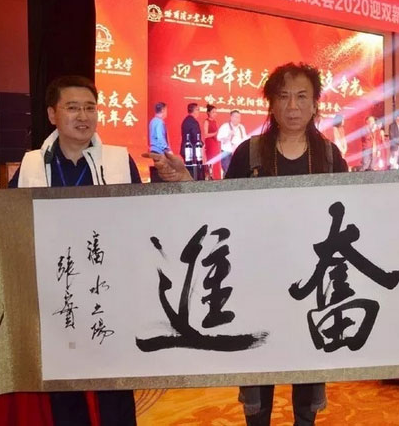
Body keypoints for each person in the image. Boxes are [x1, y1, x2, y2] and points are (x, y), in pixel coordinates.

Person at [145, 62, 348, 426]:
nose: (292, 106)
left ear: (315, 103)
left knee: (308, 374)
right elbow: (221, 210)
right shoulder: (249, 153)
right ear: (271, 104)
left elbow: (347, 219)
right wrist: (187, 180)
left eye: (302, 97)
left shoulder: (330, 157)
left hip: (312, 285)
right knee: (257, 377)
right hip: (257, 283)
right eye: (283, 97)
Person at [0, 75, 139, 426]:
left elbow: (149, 215)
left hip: (109, 295)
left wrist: (175, 180)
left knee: (116, 389)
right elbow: (2, 219)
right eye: (73, 107)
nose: (83, 116)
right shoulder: (30, 165)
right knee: (63, 391)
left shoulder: (119, 161)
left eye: (90, 107)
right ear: (53, 114)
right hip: (55, 296)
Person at [216, 109, 247, 174]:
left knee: (238, 171)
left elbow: (244, 139)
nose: (237, 119)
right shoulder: (225, 126)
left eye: (238, 117)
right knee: (227, 172)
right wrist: (228, 136)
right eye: (235, 117)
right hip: (227, 152)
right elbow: (219, 138)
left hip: (238, 153)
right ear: (231, 117)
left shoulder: (241, 127)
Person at [202, 104, 221, 179]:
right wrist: (215, 133)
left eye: (216, 112)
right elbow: (205, 135)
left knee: (217, 160)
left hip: (215, 143)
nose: (215, 114)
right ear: (208, 113)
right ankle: (210, 176)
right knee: (211, 160)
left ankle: (217, 177)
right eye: (213, 112)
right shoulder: (206, 122)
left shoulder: (215, 122)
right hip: (210, 143)